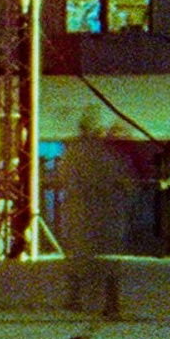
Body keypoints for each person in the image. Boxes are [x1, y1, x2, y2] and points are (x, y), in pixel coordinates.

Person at [55, 113, 136, 317]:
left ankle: (75, 298)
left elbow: (66, 180)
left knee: (78, 255)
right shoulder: (110, 154)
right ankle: (111, 302)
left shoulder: (73, 153)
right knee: (109, 257)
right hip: (108, 210)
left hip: (81, 211)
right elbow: (126, 181)